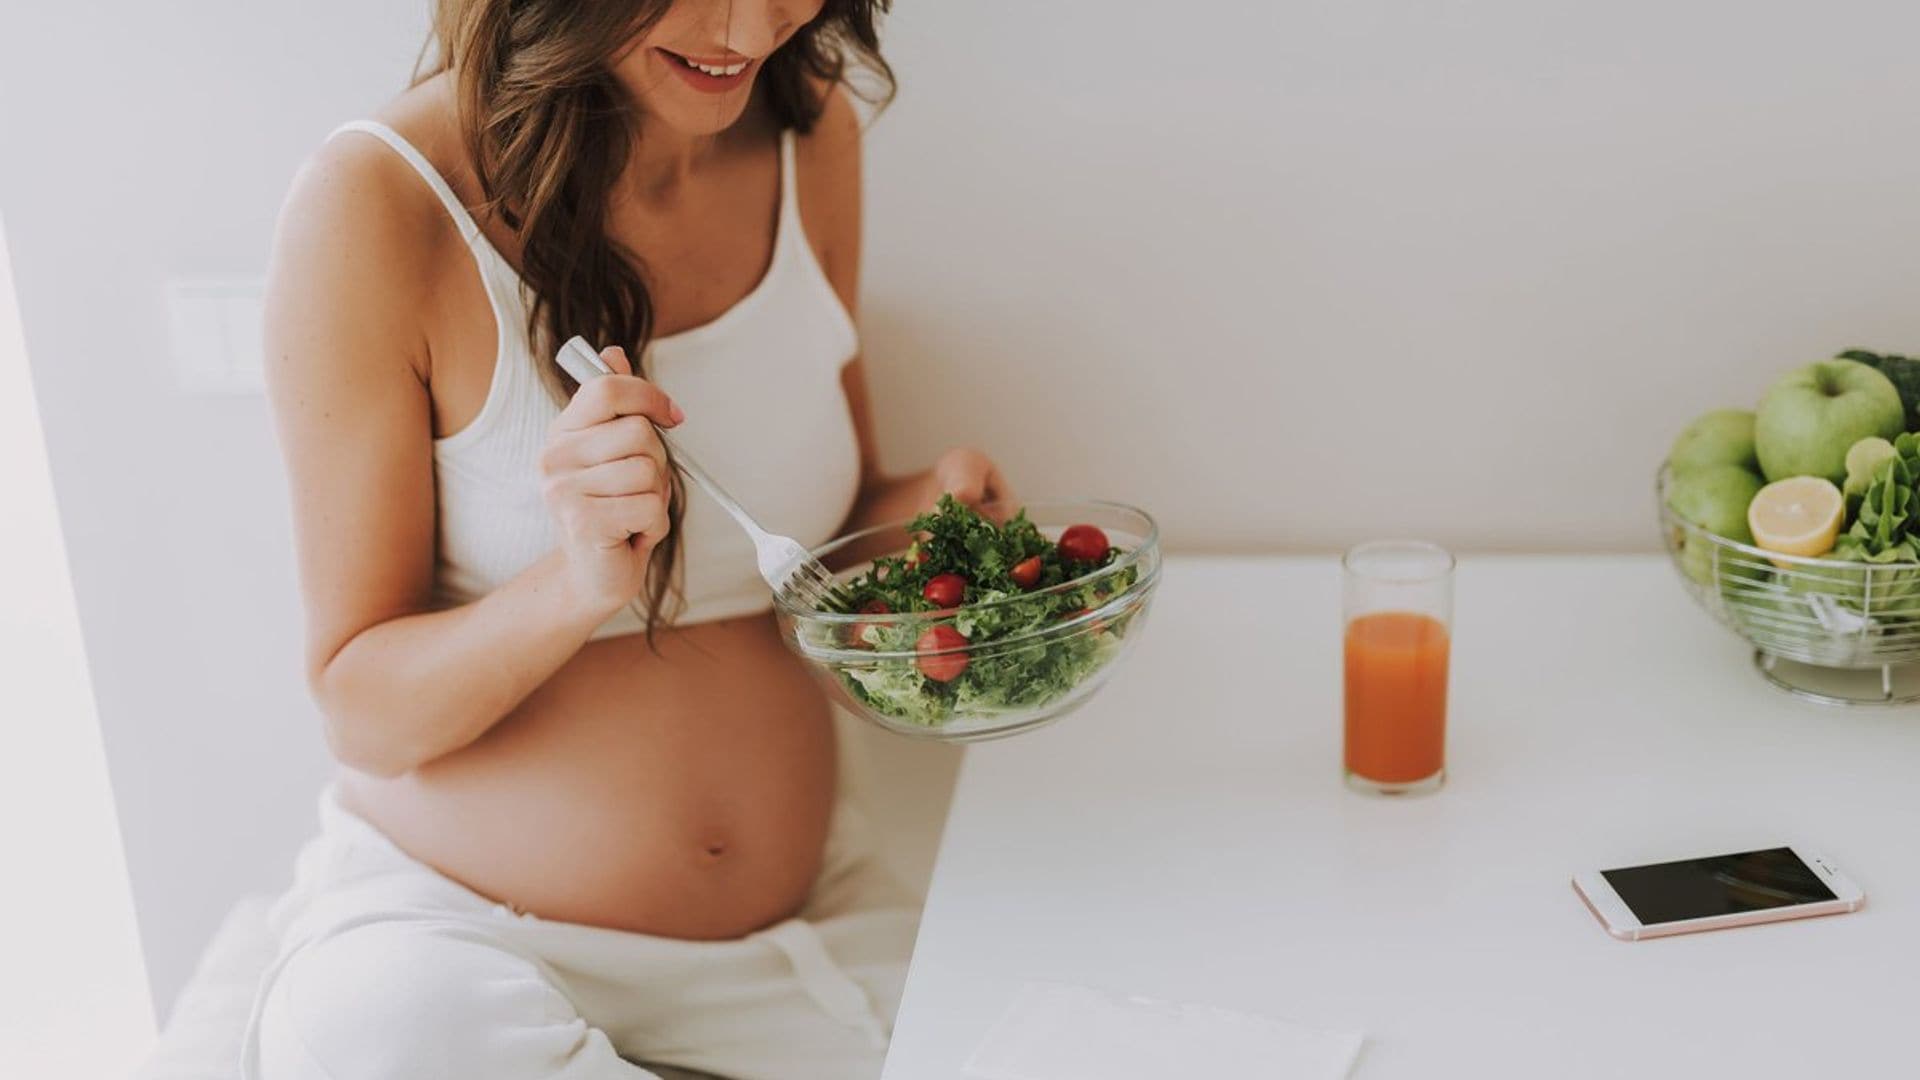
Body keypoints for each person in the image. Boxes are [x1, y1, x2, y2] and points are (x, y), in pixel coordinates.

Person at [244, 1, 1009, 1076]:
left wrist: (929, 515)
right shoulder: (377, 203)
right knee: (383, 1035)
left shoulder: (806, 129)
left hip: (799, 949)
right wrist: (575, 582)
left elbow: (825, 535)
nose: (749, 29)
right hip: (475, 943)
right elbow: (360, 708)